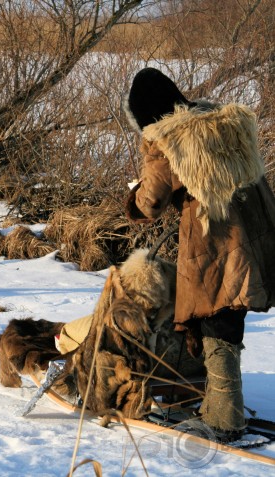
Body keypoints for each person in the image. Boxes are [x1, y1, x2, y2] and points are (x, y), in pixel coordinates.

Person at [124, 67, 275, 439]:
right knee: (231, 315)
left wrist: (132, 197)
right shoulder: (219, 121)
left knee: (214, 320)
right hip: (259, 232)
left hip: (217, 242)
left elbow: (151, 201)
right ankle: (219, 402)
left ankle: (223, 419)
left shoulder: (167, 139)